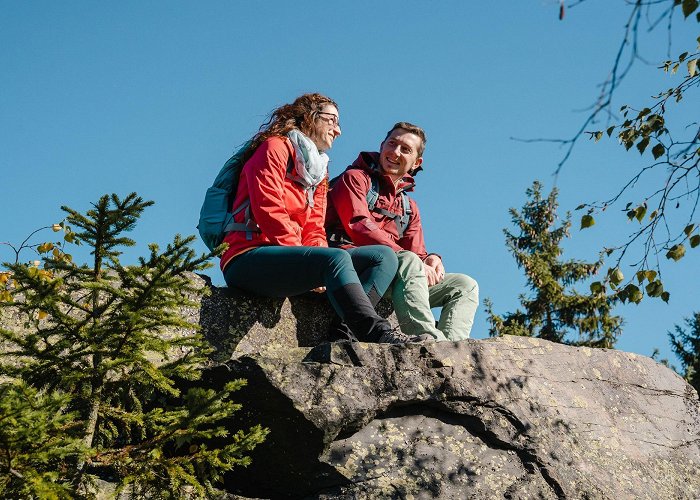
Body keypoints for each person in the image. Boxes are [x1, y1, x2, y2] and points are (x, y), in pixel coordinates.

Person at [220, 94, 423, 344]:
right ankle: (377, 333)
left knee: (383, 256)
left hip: (291, 260)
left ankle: (343, 334)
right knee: (335, 257)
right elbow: (268, 210)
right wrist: (309, 261)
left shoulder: (319, 169)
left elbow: (315, 227)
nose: (338, 130)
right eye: (332, 120)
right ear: (309, 118)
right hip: (248, 258)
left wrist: (312, 260)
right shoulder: (275, 147)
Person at [325, 122, 479, 341]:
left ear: (417, 162)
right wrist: (408, 257)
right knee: (406, 259)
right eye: (392, 143)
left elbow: (417, 252)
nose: (395, 152)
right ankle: (424, 335)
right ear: (382, 145)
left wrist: (431, 259)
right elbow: (358, 226)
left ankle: (452, 347)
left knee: (464, 285)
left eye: (405, 149)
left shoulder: (409, 207)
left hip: (395, 276)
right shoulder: (355, 179)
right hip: (353, 266)